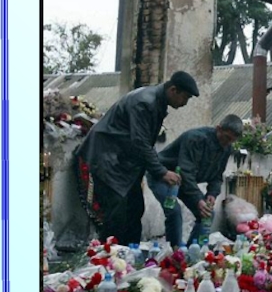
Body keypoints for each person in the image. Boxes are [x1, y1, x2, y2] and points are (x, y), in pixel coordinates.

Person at [74, 71, 200, 245]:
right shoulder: (145, 103)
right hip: (107, 158)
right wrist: (161, 172)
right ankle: (107, 256)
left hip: (123, 164)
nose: (185, 103)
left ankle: (130, 255)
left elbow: (145, 143)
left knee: (135, 209)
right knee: (117, 215)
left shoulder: (157, 102)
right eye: (185, 97)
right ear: (173, 90)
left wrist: (158, 169)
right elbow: (140, 142)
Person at [147, 114, 243, 247]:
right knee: (174, 210)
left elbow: (217, 176)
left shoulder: (226, 148)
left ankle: (192, 251)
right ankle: (174, 252)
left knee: (207, 214)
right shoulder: (195, 138)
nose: (228, 143)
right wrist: (198, 199)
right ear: (218, 128)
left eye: (232, 140)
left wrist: (212, 194)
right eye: (226, 137)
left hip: (184, 182)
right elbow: (186, 172)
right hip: (163, 176)